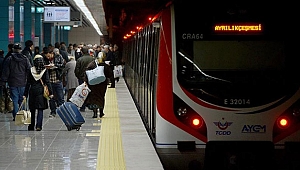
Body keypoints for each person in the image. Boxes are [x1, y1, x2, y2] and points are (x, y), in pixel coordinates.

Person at [1, 43, 31, 121]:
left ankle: (16, 116)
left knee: (14, 99)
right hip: (23, 83)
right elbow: (29, 70)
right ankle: (23, 115)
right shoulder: (25, 59)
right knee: (22, 100)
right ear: (20, 50)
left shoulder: (9, 59)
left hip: (12, 83)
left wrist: (3, 81)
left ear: (13, 50)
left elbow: (6, 72)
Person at [24, 55, 53, 131]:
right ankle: (38, 126)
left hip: (32, 91)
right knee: (40, 109)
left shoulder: (31, 70)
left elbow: (28, 83)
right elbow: (47, 82)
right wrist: (51, 92)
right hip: (41, 91)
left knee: (32, 109)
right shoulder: (44, 70)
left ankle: (31, 126)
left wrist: (25, 94)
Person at [84, 52, 112, 118]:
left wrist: (86, 82)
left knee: (94, 97)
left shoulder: (92, 64)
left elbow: (87, 74)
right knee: (101, 97)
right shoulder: (105, 66)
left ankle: (95, 113)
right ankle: (101, 112)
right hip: (102, 85)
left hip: (93, 84)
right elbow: (110, 75)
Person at [44, 48, 65, 117]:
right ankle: (53, 111)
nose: (48, 57)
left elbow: (62, 66)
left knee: (60, 97)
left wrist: (55, 65)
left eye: (49, 56)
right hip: (50, 82)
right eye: (47, 56)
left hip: (58, 80)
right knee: (51, 98)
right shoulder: (45, 60)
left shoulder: (59, 57)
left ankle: (63, 111)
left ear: (52, 54)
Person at [74, 46, 95, 112]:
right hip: (91, 78)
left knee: (82, 92)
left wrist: (79, 77)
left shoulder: (79, 59)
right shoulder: (92, 59)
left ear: (82, 52)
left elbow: (77, 70)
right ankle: (91, 105)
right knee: (91, 91)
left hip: (82, 78)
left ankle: (82, 107)